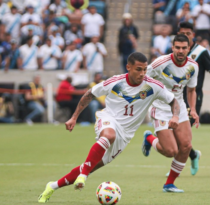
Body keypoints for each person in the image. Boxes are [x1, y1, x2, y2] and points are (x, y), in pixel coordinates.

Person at [38, 52, 179, 203]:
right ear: (128, 67)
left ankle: (52, 186)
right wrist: (74, 117)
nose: (142, 73)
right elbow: (89, 94)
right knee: (108, 136)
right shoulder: (115, 82)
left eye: (145, 69)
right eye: (138, 69)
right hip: (108, 119)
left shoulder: (153, 86)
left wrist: (175, 116)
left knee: (91, 165)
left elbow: (173, 101)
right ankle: (83, 175)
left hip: (125, 135)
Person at [141, 34, 199, 193]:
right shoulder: (159, 63)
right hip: (160, 108)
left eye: (184, 48)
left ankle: (169, 184)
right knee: (171, 151)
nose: (180, 51)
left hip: (178, 107)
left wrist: (193, 109)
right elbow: (143, 81)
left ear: (189, 48)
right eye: (177, 47)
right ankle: (149, 138)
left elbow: (192, 90)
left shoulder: (193, 66)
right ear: (172, 47)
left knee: (186, 146)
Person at [176, 22, 210, 175]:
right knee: (173, 133)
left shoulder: (201, 52)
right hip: (176, 97)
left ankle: (177, 166)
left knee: (181, 134)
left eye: (188, 33)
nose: (185, 36)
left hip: (193, 97)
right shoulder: (177, 51)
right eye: (182, 33)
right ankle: (193, 155)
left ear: (193, 35)